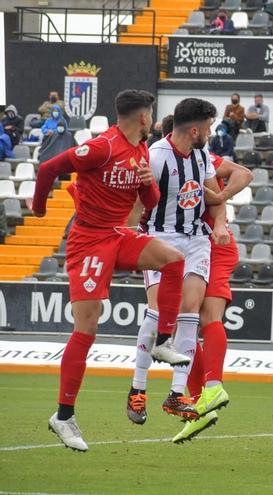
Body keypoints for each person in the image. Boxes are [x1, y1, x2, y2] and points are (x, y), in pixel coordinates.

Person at [33, 90, 190, 452]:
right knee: (87, 327)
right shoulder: (102, 147)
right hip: (88, 241)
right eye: (151, 113)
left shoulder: (139, 152)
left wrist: (147, 181)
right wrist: (39, 208)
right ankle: (63, 415)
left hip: (118, 234)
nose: (152, 119)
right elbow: (48, 168)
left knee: (173, 260)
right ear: (143, 117)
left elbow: (148, 205)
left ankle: (163, 342)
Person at [126, 98, 231, 425]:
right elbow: (132, 204)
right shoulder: (156, 158)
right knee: (158, 313)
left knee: (189, 312)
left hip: (197, 239)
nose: (211, 133)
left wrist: (219, 223)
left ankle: (176, 394)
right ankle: (138, 389)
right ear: (195, 129)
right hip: (160, 238)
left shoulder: (201, 156)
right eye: (210, 127)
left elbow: (215, 197)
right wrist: (128, 240)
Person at [174, 151, 253, 443]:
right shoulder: (162, 160)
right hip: (185, 247)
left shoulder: (203, 158)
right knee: (182, 327)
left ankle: (213, 388)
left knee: (209, 317)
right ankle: (201, 405)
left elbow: (244, 173)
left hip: (215, 246)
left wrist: (220, 195)